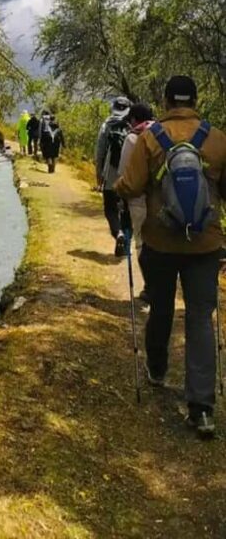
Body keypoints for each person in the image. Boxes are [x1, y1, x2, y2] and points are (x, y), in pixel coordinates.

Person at [115, 75, 226, 437]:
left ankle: (157, 370)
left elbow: (129, 186)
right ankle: (202, 408)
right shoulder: (216, 138)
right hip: (205, 247)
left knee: (161, 308)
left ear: (165, 102)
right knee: (199, 319)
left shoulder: (150, 138)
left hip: (160, 244)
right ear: (195, 100)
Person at [117, 102, 154, 303]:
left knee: (141, 242)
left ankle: (150, 286)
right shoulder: (162, 134)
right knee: (160, 242)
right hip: (162, 200)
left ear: (133, 119)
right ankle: (163, 284)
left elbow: (124, 173)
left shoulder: (132, 138)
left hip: (138, 200)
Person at [96, 96, 131, 256]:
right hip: (129, 176)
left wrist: (99, 174)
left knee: (110, 208)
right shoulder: (132, 125)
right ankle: (126, 243)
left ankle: (118, 233)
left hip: (110, 174)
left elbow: (100, 152)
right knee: (126, 210)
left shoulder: (107, 125)